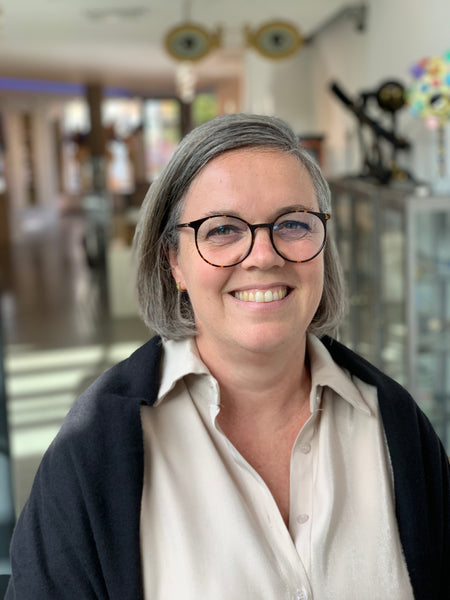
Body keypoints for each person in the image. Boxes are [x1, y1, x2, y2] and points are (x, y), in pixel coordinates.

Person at [6, 114, 449, 599]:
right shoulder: (93, 451)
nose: (264, 255)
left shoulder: (396, 425)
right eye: (222, 229)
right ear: (174, 262)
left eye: (293, 223)